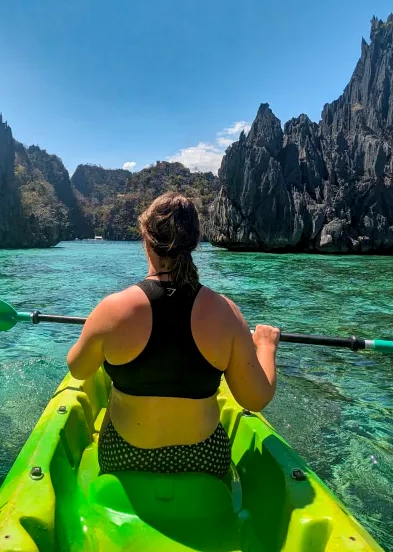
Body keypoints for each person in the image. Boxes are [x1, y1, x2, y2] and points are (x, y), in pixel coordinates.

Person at [67, 192, 280, 479]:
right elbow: (255, 399)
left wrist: (95, 330)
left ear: (146, 237)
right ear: (194, 241)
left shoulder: (113, 309)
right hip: (203, 458)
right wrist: (266, 345)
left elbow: (78, 369)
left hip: (125, 455)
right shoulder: (226, 312)